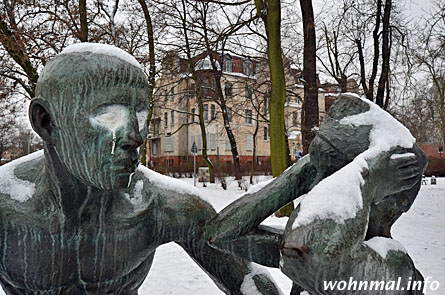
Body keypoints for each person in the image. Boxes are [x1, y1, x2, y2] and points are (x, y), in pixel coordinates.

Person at [0, 44, 281, 295]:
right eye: (108, 115)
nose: (134, 136)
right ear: (46, 122)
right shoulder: (7, 211)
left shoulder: (161, 208)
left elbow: (250, 281)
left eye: (140, 114)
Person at [203, 94, 427, 294]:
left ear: (384, 190)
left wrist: (364, 174)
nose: (317, 191)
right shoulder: (307, 247)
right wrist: (300, 174)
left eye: (334, 178)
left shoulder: (397, 269)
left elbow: (316, 259)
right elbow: (220, 235)